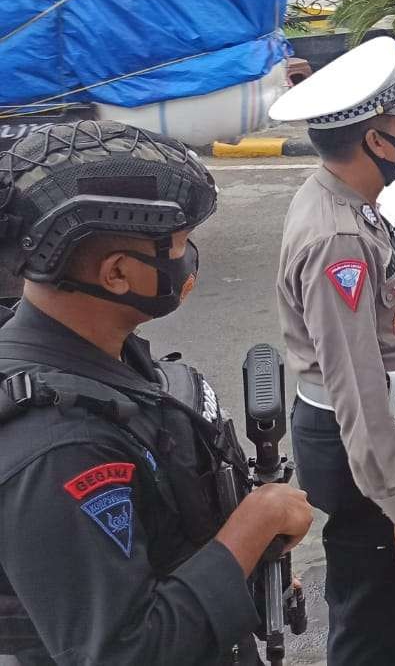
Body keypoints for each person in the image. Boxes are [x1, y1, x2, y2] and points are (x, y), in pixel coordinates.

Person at [0, 120, 315, 665]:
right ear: (117, 274)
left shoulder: (104, 353)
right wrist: (254, 524)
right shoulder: (57, 449)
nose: (188, 257)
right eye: (175, 245)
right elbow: (127, 652)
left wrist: (240, 566)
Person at [268, 38, 395, 666]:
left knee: (387, 590)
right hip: (359, 444)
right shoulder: (339, 239)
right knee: (369, 594)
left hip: (368, 435)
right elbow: (356, 384)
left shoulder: (340, 199)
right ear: (375, 140)